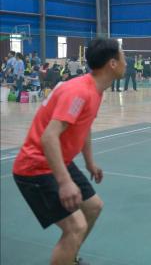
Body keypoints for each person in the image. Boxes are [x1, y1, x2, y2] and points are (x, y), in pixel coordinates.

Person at [12, 38, 125, 265]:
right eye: (123, 57)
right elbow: (49, 137)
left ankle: (68, 258)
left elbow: (84, 126)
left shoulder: (95, 89)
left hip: (57, 160)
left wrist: (90, 162)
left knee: (93, 207)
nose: (126, 61)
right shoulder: (79, 92)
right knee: (76, 226)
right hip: (35, 166)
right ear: (112, 64)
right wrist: (64, 182)